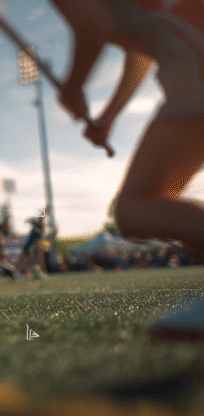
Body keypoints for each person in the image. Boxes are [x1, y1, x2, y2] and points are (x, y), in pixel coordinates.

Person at [50, 0, 204, 339]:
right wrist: (107, 116)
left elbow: (93, 26)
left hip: (192, 58)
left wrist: (73, 86)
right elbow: (143, 50)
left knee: (137, 208)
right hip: (190, 48)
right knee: (151, 205)